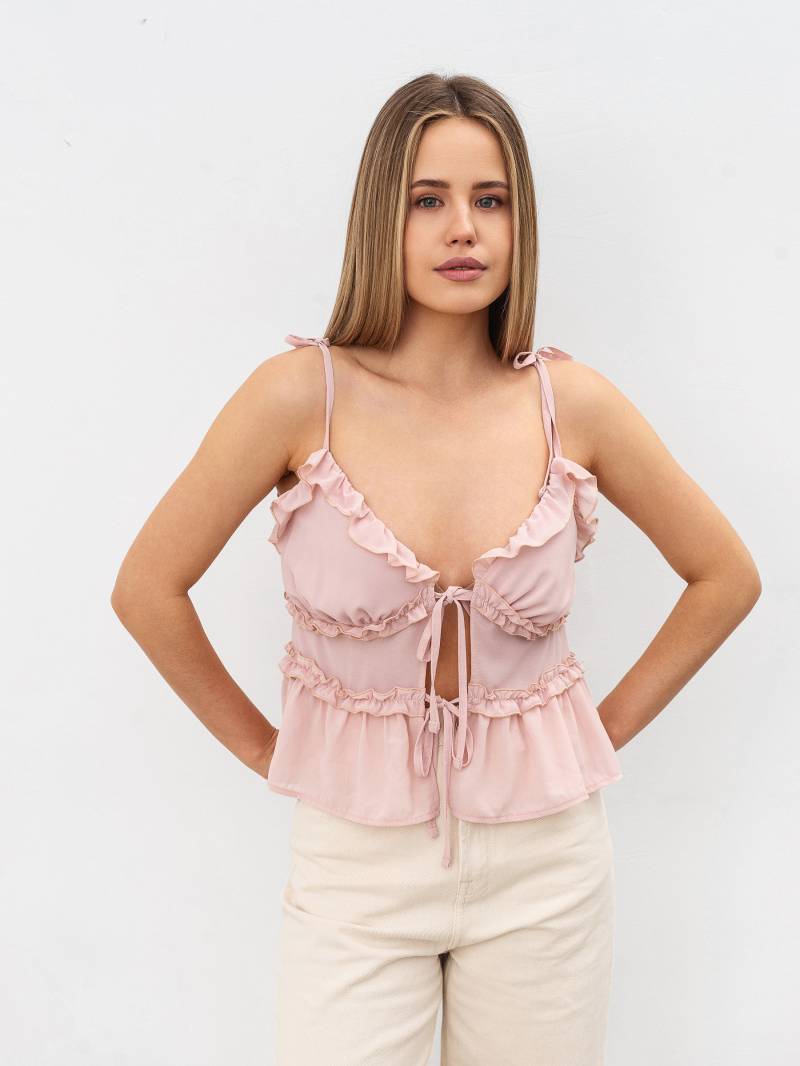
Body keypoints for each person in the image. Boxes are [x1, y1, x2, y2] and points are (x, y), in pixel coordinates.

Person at [111, 72, 761, 1065]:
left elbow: (724, 575)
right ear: (383, 215)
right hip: (356, 862)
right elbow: (147, 589)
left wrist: (599, 731)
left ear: (518, 221)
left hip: (547, 862)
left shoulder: (571, 403)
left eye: (489, 199)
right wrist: (265, 750)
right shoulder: (298, 396)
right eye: (428, 199)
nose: (464, 229)